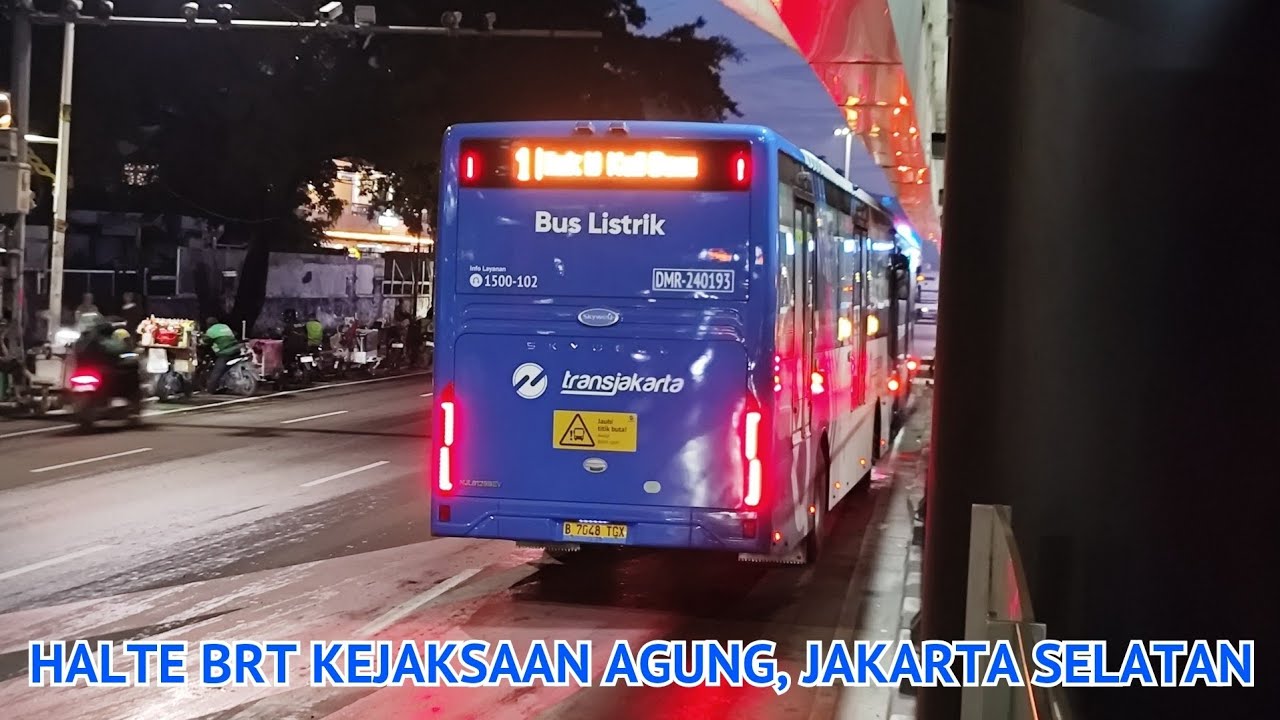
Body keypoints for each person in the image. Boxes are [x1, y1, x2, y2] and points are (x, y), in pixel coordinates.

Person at [201, 318, 242, 393]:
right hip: (236, 350)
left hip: (225, 353)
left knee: (217, 372)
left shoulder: (211, 330)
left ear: (208, 324)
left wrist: (201, 341)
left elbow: (205, 341)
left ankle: (211, 389)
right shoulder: (224, 326)